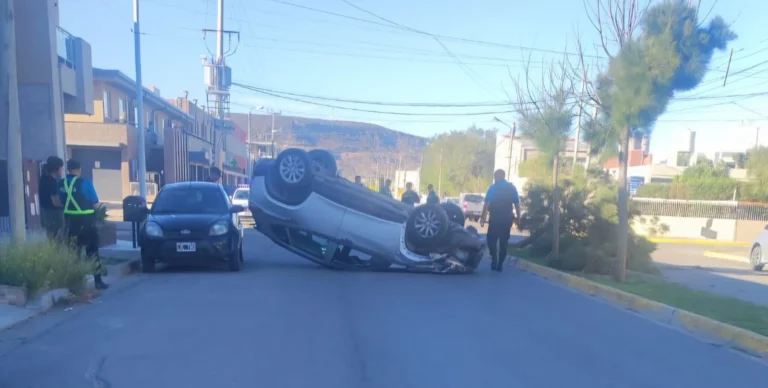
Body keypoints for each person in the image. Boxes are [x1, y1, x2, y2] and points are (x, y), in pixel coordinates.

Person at [59, 159, 109, 290]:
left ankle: (75, 282)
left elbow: (59, 201)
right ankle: (97, 281)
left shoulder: (62, 183)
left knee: (74, 253)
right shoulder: (85, 183)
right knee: (92, 252)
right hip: (87, 222)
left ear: (68, 169)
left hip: (70, 222)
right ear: (79, 169)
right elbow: (95, 204)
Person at [480, 169, 521, 272]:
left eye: (494, 177)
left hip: (495, 218)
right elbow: (517, 204)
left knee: (491, 240)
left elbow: (487, 204)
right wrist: (518, 218)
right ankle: (500, 264)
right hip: (507, 218)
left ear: (497, 177)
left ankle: (494, 257)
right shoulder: (512, 188)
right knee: (504, 242)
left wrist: (483, 218)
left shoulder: (493, 188)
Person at [39, 156, 65, 239]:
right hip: (54, 214)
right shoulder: (52, 182)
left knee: (50, 238)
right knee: (57, 239)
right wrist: (66, 205)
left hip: (45, 212)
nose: (61, 170)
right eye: (61, 168)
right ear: (56, 169)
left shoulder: (43, 179)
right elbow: (55, 202)